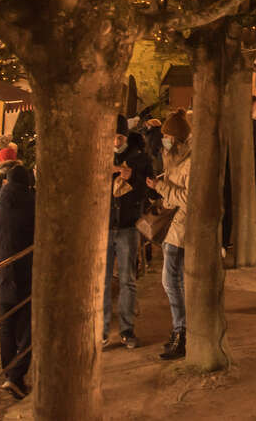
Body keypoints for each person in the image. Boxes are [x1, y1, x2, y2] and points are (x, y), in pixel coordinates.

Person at [0, 163, 36, 400]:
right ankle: (16, 376)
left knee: (7, 327)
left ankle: (8, 374)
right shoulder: (34, 207)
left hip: (1, 277)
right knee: (26, 329)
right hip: (26, 275)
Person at [148, 109, 191, 360]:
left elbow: (187, 198)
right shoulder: (174, 158)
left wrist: (161, 187)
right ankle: (181, 330)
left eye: (166, 136)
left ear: (176, 138)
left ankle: (180, 331)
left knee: (170, 281)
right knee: (178, 281)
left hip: (180, 228)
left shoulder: (188, 161)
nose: (163, 140)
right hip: (174, 227)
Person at [104, 128, 153, 348]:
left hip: (128, 226)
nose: (115, 141)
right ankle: (102, 329)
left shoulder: (140, 159)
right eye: (112, 137)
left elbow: (149, 192)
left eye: (120, 138)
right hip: (103, 227)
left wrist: (132, 177)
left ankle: (126, 330)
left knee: (127, 280)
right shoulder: (101, 154)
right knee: (102, 282)